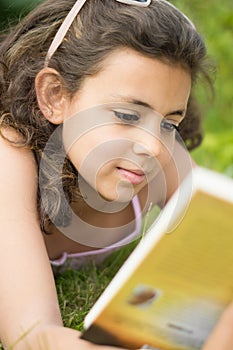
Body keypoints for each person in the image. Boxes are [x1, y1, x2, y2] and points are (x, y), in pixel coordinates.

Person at [0, 0, 232, 349]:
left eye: (170, 122)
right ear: (55, 95)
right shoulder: (11, 154)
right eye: (126, 115)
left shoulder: (157, 151)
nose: (153, 147)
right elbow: (32, 334)